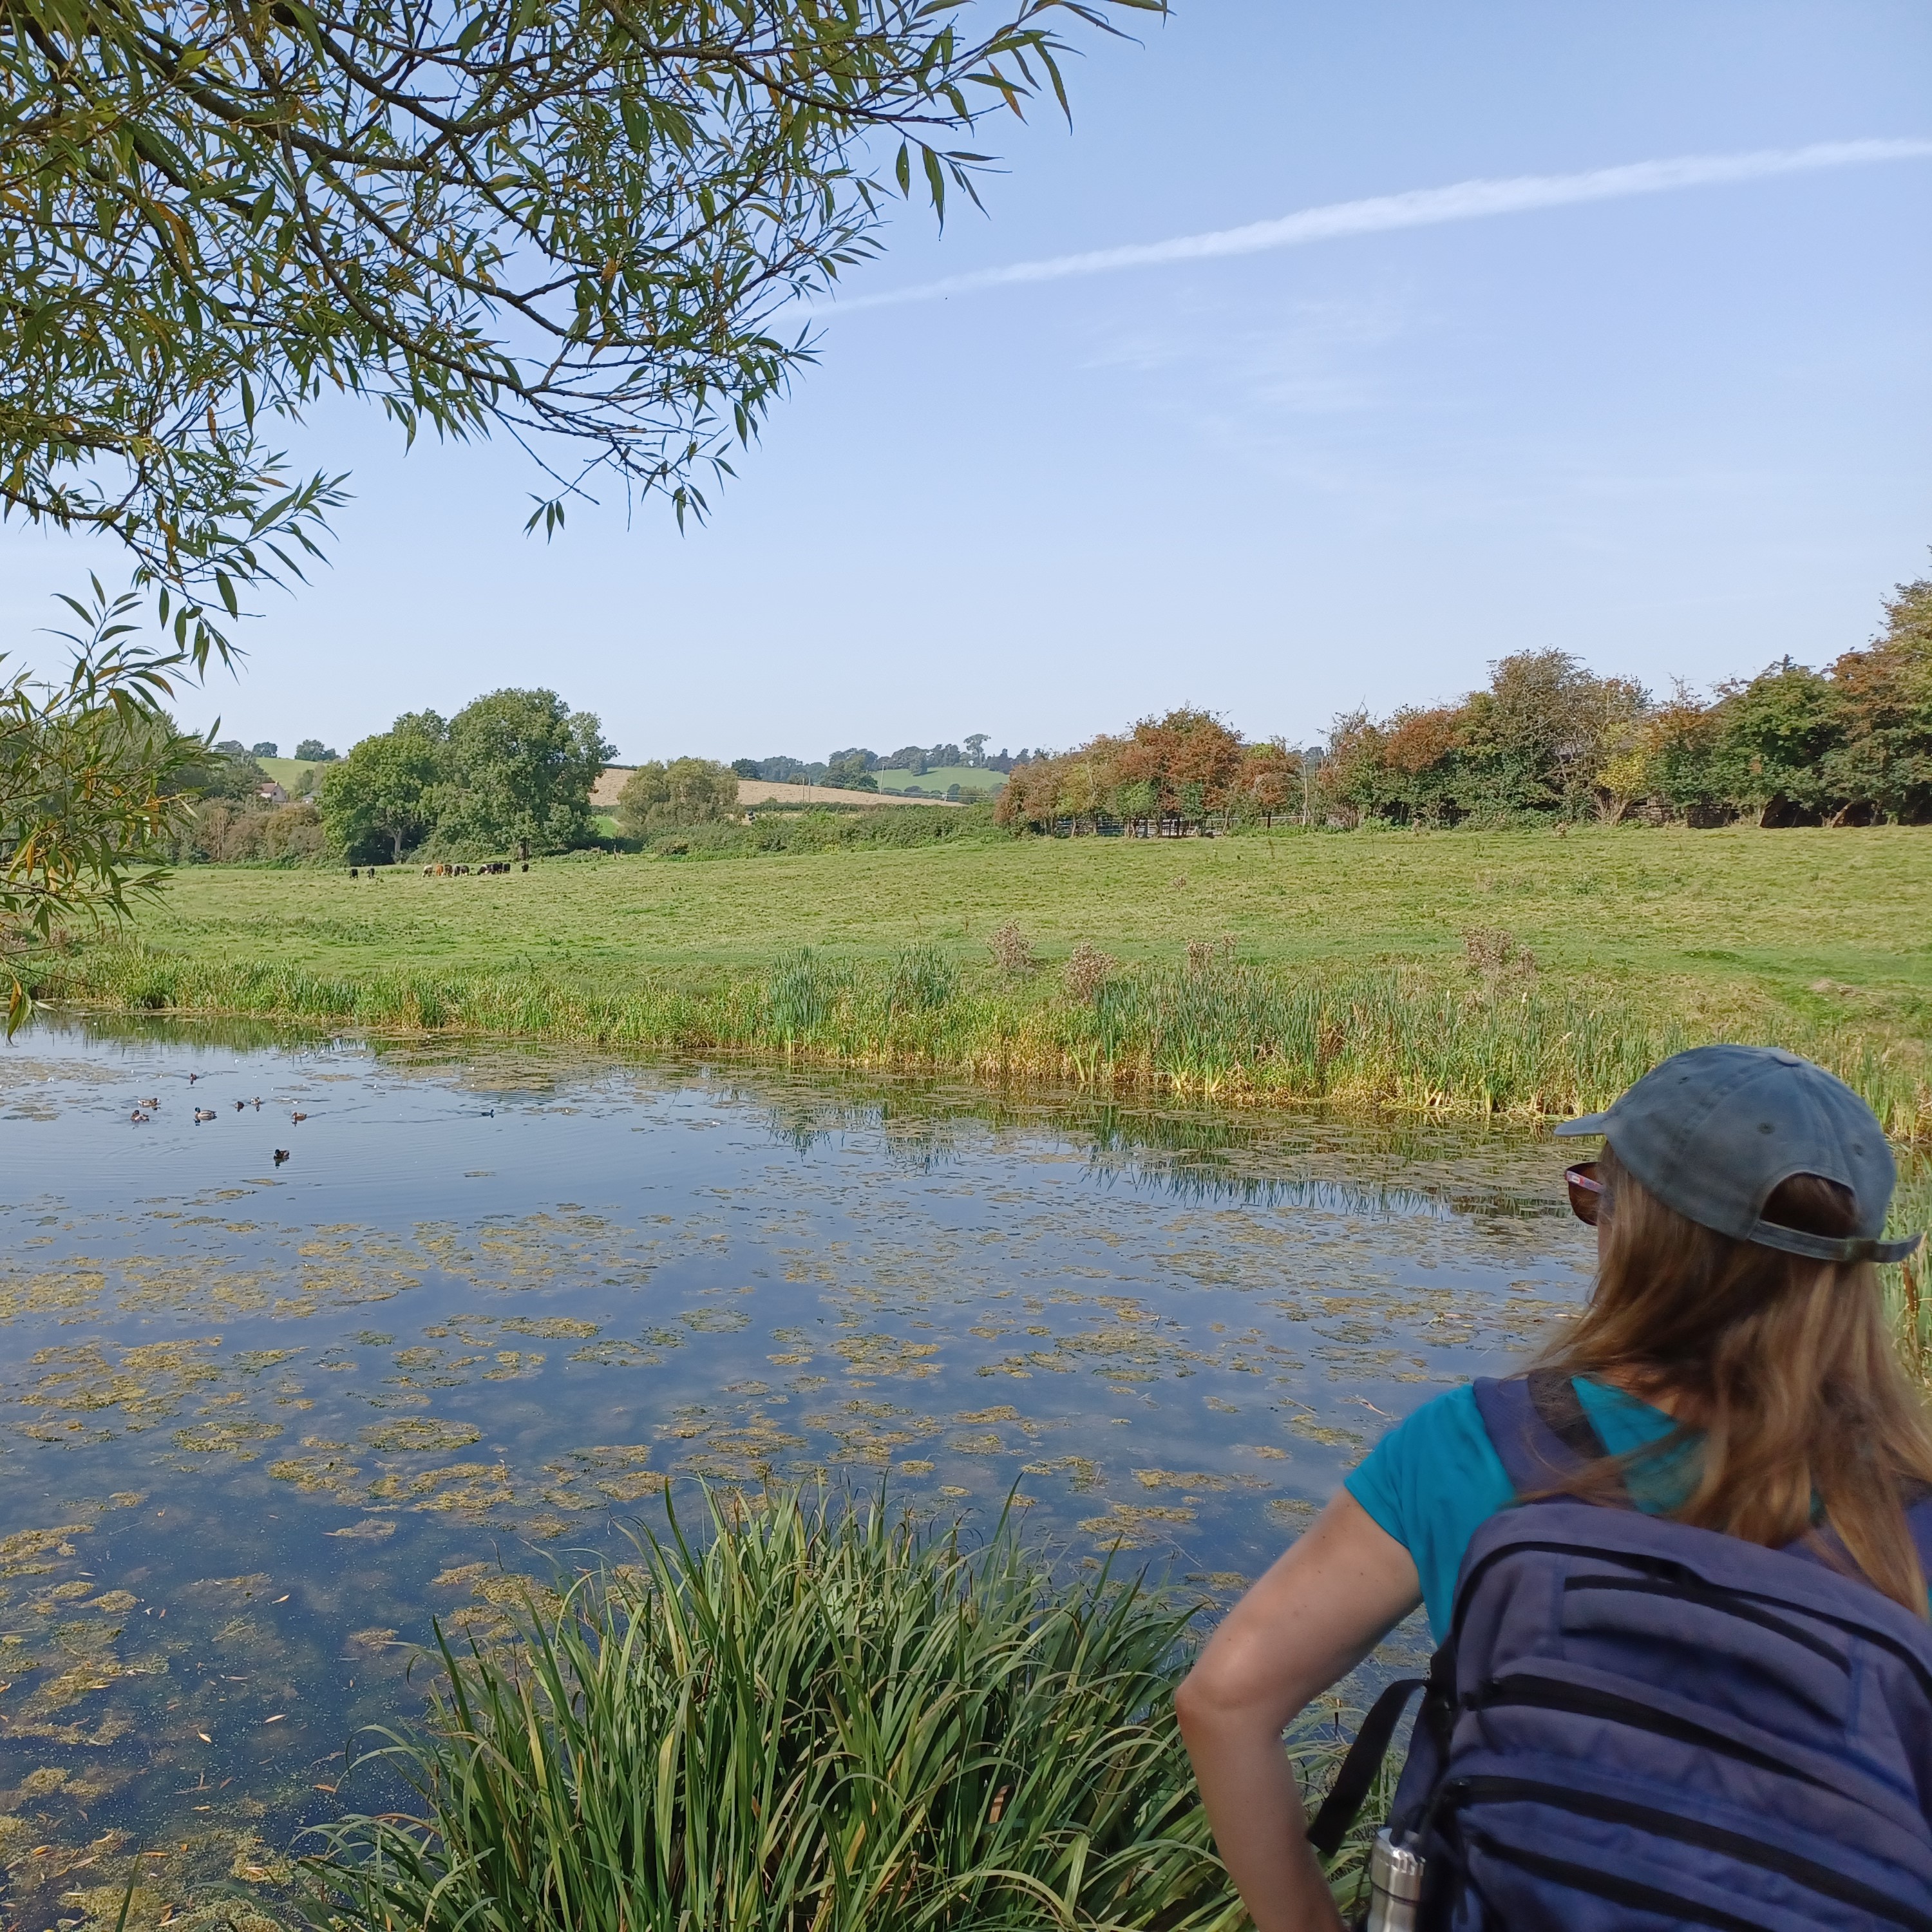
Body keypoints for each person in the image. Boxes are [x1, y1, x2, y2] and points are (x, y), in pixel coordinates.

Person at [1175, 1045, 1931, 1932]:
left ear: (1635, 1232)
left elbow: (1223, 1702)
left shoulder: (1477, 1445)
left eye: (1593, 1196)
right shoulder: (1911, 1518)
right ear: (1850, 1272)